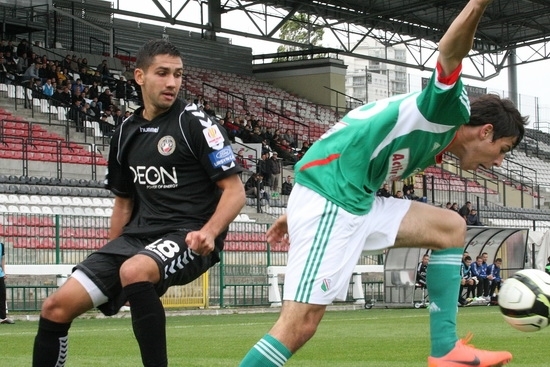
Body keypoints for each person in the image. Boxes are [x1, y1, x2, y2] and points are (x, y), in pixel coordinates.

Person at [239, 1, 526, 366]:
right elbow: (450, 50)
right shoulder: (448, 110)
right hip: (332, 200)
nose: (498, 162)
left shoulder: (435, 139)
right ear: (486, 131)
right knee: (299, 326)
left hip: (348, 199)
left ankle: (446, 350)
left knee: (451, 227)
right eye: (501, 150)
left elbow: (352, 139)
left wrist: (296, 207)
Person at [32, 39, 246, 367]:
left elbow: (235, 191)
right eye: (162, 73)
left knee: (134, 269)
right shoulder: (125, 132)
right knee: (55, 308)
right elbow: (123, 204)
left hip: (189, 235)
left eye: (177, 74)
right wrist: (110, 260)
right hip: (136, 238)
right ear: (140, 76)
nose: (172, 82)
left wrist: (210, 232)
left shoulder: (196, 123)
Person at [0, 240, 14, 324]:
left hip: (0, 274)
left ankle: (2, 317)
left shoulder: (1, 245)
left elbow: (2, 259)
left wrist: (4, 272)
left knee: (2, 295)